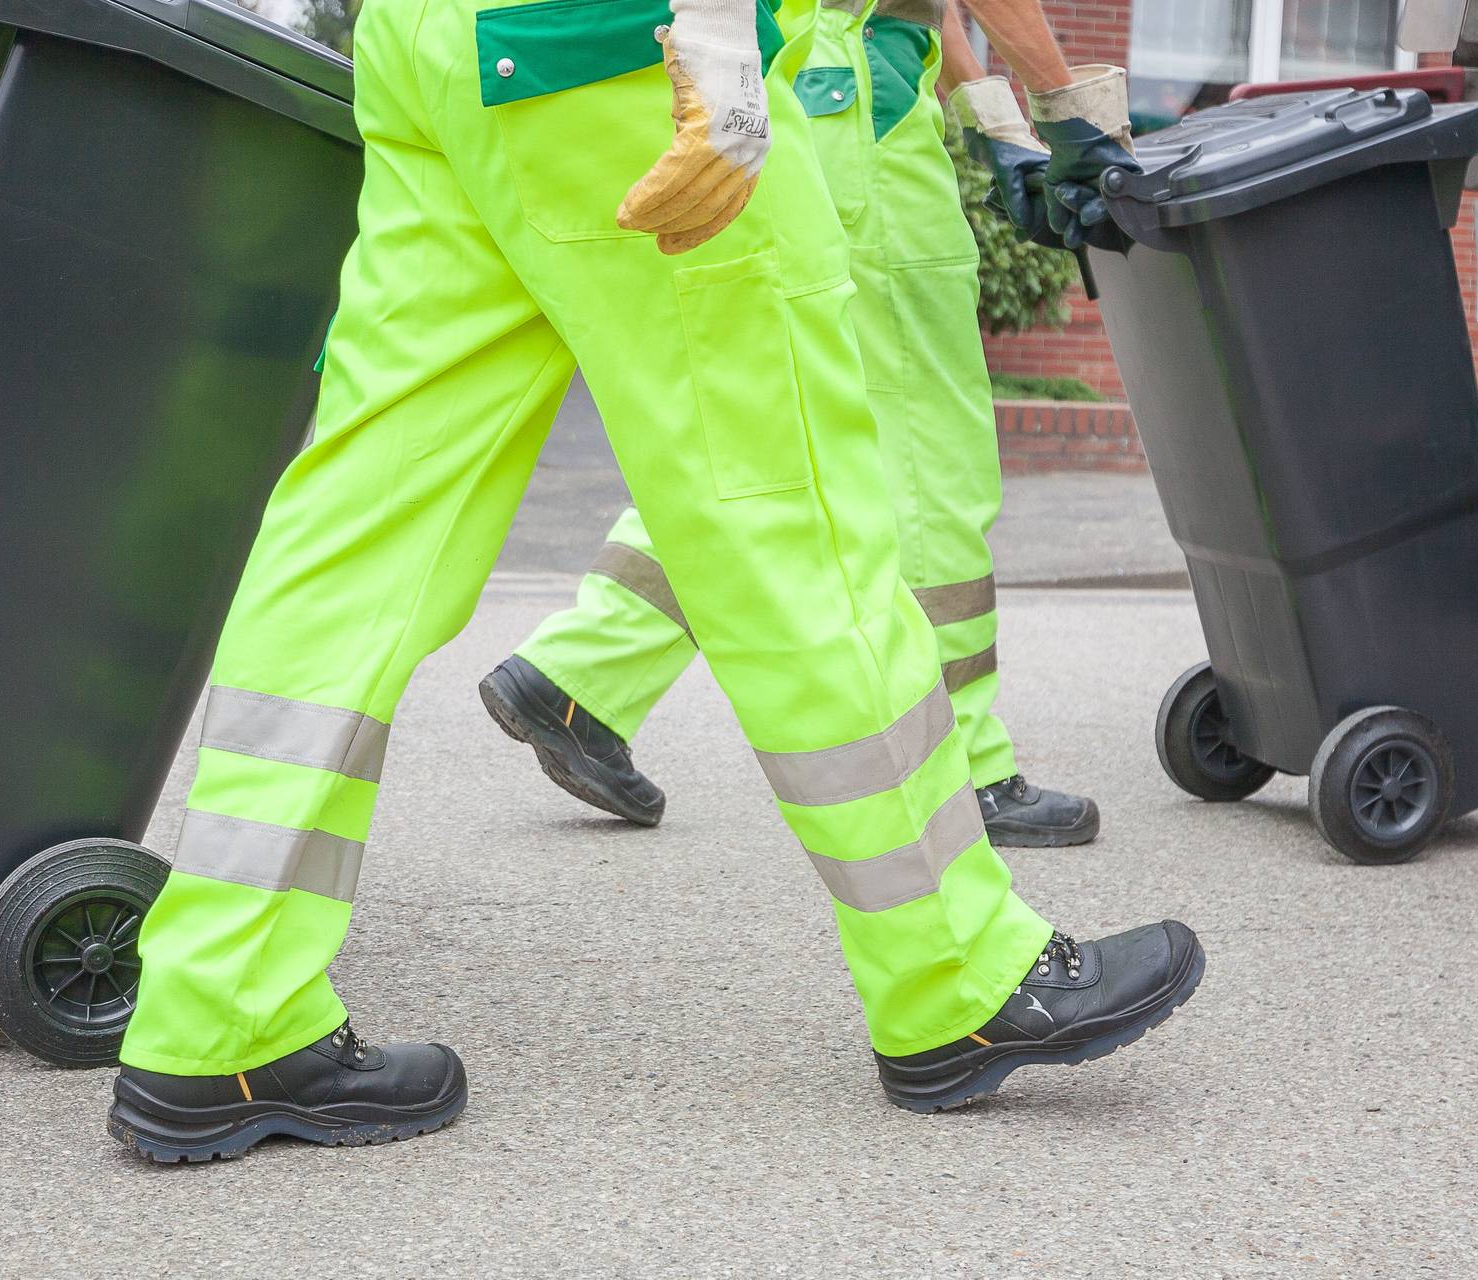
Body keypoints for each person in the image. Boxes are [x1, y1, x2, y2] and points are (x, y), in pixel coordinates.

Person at [104, 0, 1195, 1162]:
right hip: (624, 53)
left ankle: (218, 1004)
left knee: (359, 525)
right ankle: (958, 973)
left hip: (435, 49)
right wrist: (719, 48)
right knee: (791, 516)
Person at [479, 0, 1132, 850]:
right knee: (931, 457)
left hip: (807, 89)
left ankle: (578, 675)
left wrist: (992, 116)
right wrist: (1070, 112)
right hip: (866, 118)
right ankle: (963, 765)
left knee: (772, 439)